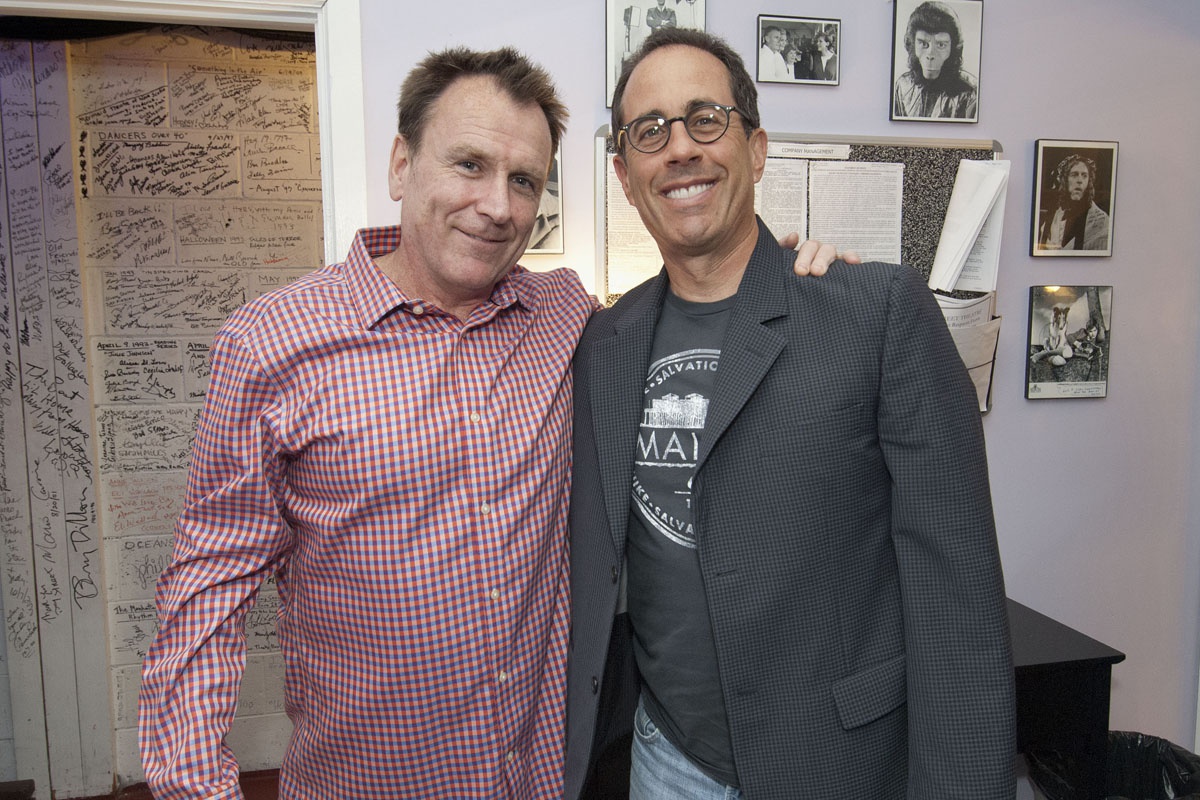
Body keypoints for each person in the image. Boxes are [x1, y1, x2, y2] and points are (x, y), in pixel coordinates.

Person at [137, 44, 845, 799]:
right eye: (469, 165)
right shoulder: (272, 344)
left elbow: (698, 319)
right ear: (401, 165)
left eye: (524, 181)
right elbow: (205, 594)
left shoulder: (565, 316)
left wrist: (796, 277)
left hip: (537, 781)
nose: (499, 206)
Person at [565, 27, 1014, 800]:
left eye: (706, 118)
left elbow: (958, 598)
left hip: (836, 765)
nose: (680, 149)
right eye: (650, 131)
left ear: (758, 148)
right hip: (663, 761)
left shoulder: (875, 313)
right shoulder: (600, 341)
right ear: (625, 174)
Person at [892, 1, 978, 120]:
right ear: (912, 44)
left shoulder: (971, 92)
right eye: (923, 43)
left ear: (953, 49)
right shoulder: (902, 85)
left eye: (941, 45)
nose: (931, 55)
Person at [1036, 153, 1110, 251]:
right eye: (1074, 175)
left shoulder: (1101, 221)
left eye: (1084, 176)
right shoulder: (1054, 216)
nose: (1080, 180)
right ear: (1064, 180)